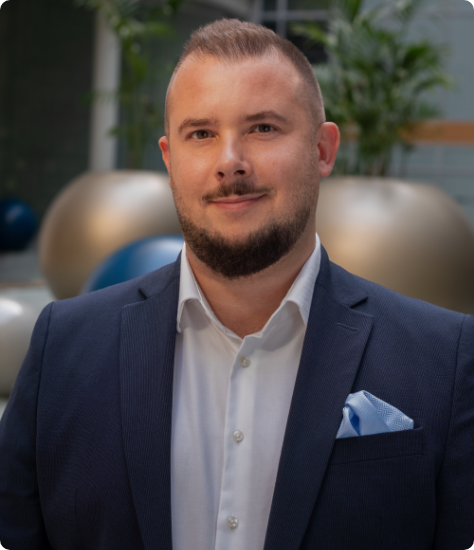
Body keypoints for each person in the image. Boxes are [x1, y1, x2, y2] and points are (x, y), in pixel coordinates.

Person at [0, 18, 473, 550]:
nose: (230, 163)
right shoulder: (63, 347)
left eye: (262, 128)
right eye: (201, 134)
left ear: (322, 149)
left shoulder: (446, 359)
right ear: (170, 160)